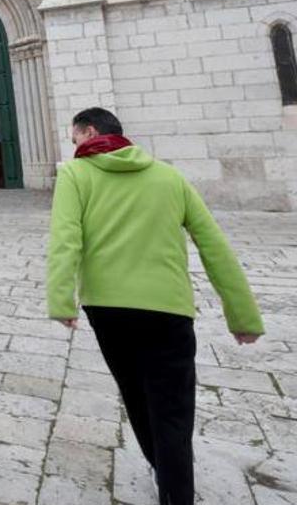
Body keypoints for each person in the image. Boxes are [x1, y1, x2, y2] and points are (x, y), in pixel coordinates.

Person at [47, 107, 264, 505]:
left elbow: (65, 240)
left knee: (136, 395)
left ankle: (159, 468)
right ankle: (176, 491)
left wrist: (61, 300)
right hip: (169, 310)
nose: (74, 146)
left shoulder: (76, 175)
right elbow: (215, 247)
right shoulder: (169, 176)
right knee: (173, 408)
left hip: (108, 309)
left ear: (90, 132)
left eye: (75, 138)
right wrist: (242, 315)